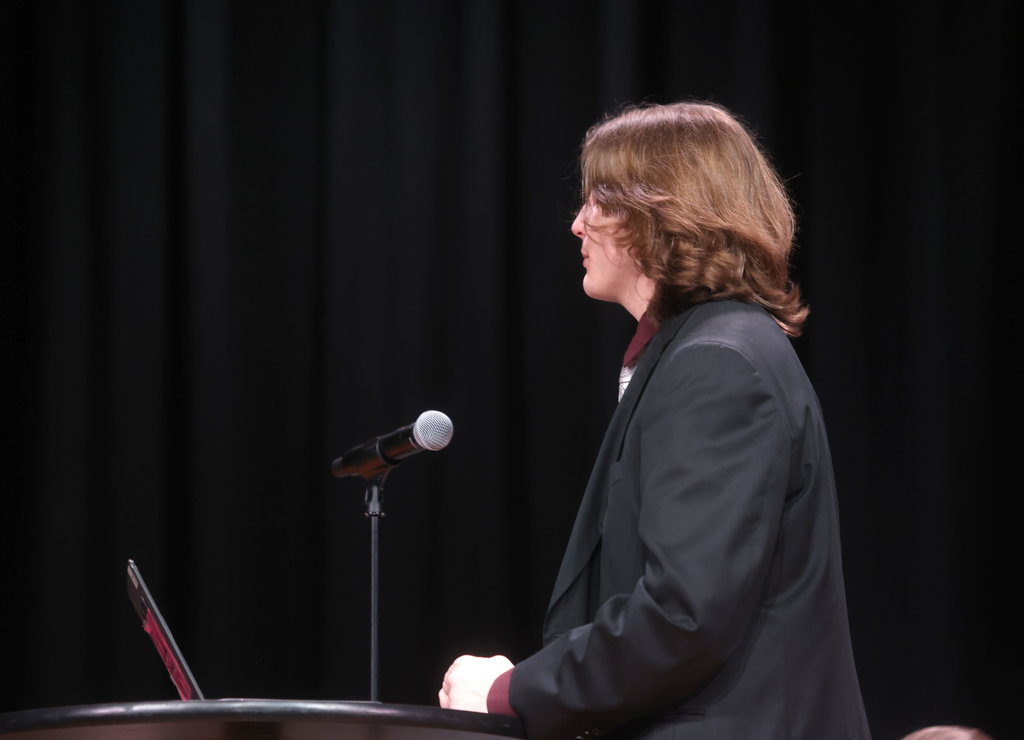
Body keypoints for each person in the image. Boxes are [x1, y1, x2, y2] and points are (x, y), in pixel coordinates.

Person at [439, 101, 871, 739]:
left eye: (598, 202)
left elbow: (683, 618)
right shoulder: (702, 352)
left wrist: (511, 691)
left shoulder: (718, 364)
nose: (577, 224)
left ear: (661, 216)